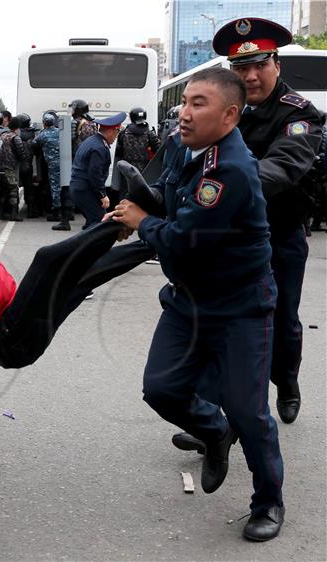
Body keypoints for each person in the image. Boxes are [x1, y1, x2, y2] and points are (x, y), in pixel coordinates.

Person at [109, 67, 285, 542]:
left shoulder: (228, 169)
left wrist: (142, 221)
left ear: (230, 115)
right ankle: (213, 431)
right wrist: (133, 212)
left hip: (239, 308)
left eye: (198, 104)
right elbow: (168, 204)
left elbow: (184, 240)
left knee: (249, 412)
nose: (183, 113)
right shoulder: (184, 148)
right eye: (184, 102)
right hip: (189, 301)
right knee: (161, 389)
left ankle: (268, 502)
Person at [0, 168, 154, 368]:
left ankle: (153, 241)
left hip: (18, 322)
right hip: (7, 340)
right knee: (48, 260)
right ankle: (123, 218)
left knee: (82, 277)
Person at [215, 17, 322, 425]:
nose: (252, 75)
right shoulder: (223, 107)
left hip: (279, 233)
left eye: (260, 65)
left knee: (282, 316)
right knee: (224, 319)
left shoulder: (300, 113)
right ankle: (229, 410)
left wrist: (225, 185)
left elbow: (282, 167)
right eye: (242, 68)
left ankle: (287, 381)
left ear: (276, 64)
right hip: (226, 234)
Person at [70, 112, 126, 229]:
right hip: (85, 189)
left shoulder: (93, 141)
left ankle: (85, 246)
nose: (117, 136)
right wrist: (102, 195)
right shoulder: (99, 147)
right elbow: (95, 173)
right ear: (111, 131)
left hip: (81, 189)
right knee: (100, 223)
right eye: (117, 132)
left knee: (92, 224)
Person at [34, 112, 70, 230]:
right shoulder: (59, 131)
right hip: (65, 162)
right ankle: (67, 211)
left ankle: (57, 212)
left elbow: (34, 144)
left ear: (44, 123)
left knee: (55, 187)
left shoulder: (43, 135)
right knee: (65, 186)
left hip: (53, 164)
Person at [114, 107, 160, 197]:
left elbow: (119, 151)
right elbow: (157, 151)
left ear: (131, 117)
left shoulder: (124, 133)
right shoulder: (150, 133)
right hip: (144, 169)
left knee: (125, 192)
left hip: (126, 168)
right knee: (142, 193)